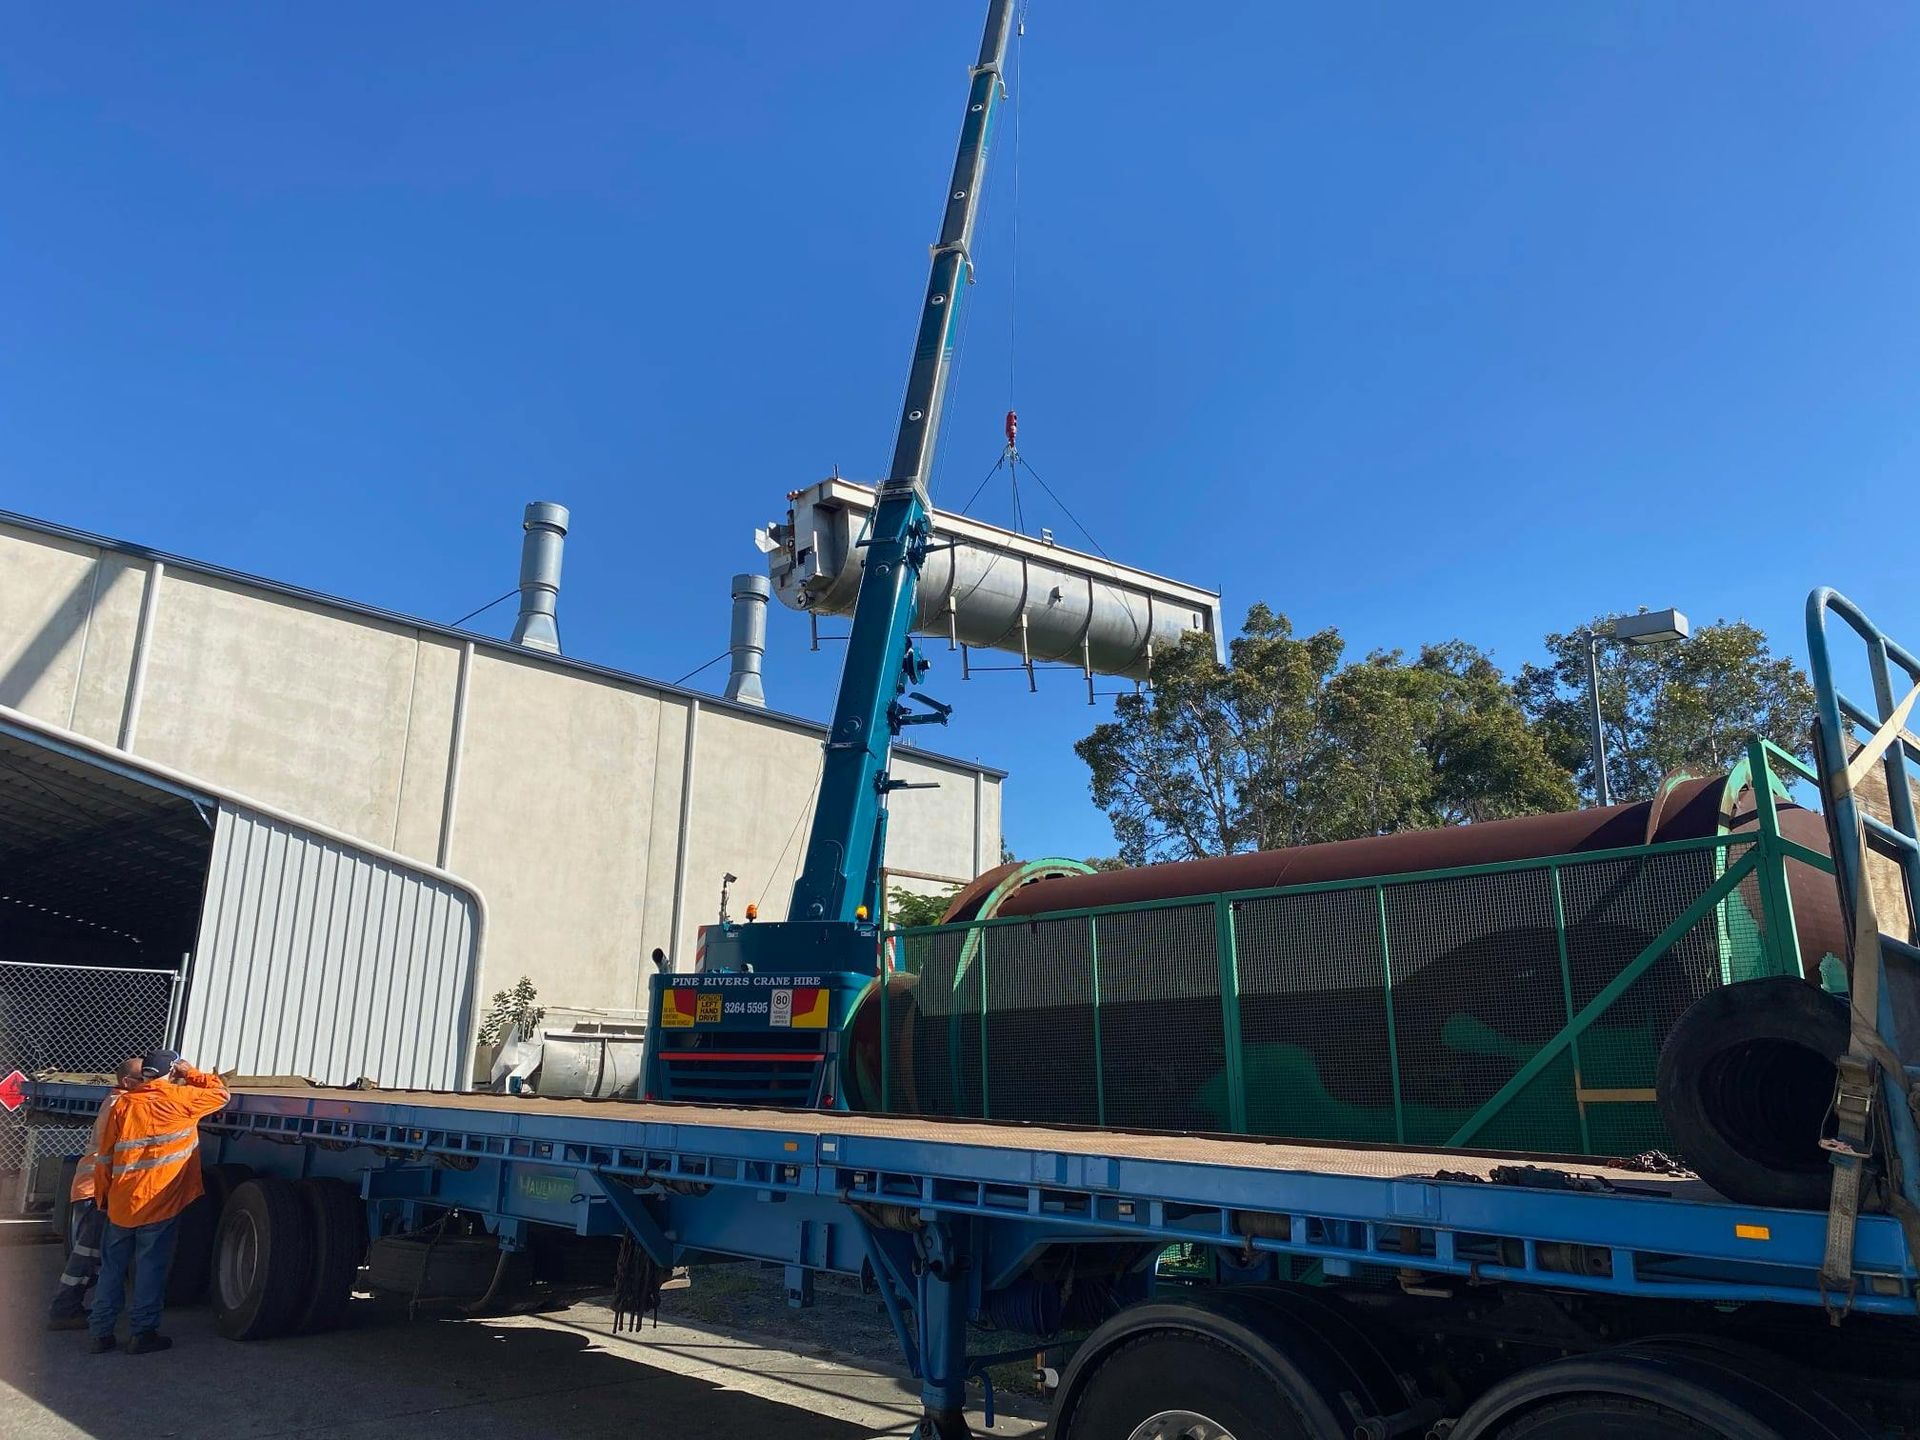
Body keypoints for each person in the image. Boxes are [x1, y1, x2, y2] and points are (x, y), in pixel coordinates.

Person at [87, 1049, 229, 1355]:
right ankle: (142, 1333)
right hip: (160, 1201)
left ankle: (100, 1333)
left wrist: (103, 1197)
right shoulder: (183, 1099)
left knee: (112, 1269)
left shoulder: (123, 1104)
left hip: (122, 1201)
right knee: (150, 1266)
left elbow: (105, 1157)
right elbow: (220, 1093)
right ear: (171, 1070)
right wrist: (191, 1072)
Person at [46, 1058, 142, 1331]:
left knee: (91, 1254)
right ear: (127, 1082)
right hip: (96, 1189)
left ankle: (69, 1307)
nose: (149, 1080)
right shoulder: (120, 1105)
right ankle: (64, 1309)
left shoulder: (119, 1100)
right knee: (88, 1255)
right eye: (143, 1076)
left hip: (97, 1186)